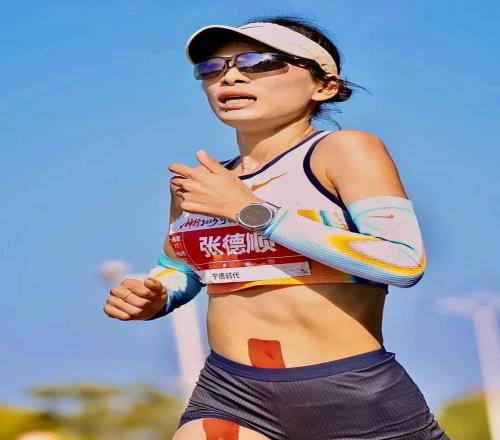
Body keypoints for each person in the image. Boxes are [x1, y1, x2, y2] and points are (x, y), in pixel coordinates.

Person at [103, 15, 449, 440]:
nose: (230, 77)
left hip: (349, 392)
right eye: (211, 68)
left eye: (260, 62)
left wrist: (252, 212)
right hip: (230, 393)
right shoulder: (201, 182)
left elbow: (403, 261)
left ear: (325, 86)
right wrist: (156, 294)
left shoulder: (342, 150)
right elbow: (182, 269)